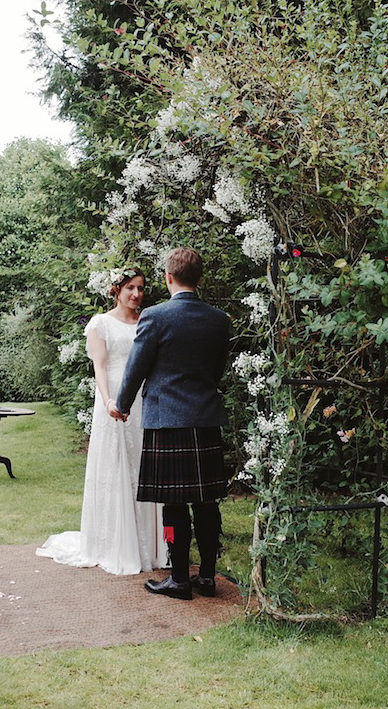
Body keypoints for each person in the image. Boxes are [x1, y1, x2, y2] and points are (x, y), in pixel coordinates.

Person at [115, 247, 232, 600]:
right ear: (199, 279)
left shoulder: (155, 316)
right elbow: (217, 371)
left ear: (168, 277)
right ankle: (208, 577)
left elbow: (136, 368)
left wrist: (121, 404)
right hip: (205, 418)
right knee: (207, 502)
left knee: (174, 503)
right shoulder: (219, 319)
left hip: (167, 420)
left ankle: (179, 578)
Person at [37, 268, 168, 575]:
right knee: (117, 468)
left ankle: (149, 546)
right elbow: (100, 366)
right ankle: (115, 545)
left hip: (143, 403)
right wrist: (110, 400)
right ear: (116, 290)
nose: (136, 294)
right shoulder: (101, 323)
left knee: (143, 467)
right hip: (113, 401)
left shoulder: (148, 322)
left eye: (140, 288)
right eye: (130, 288)